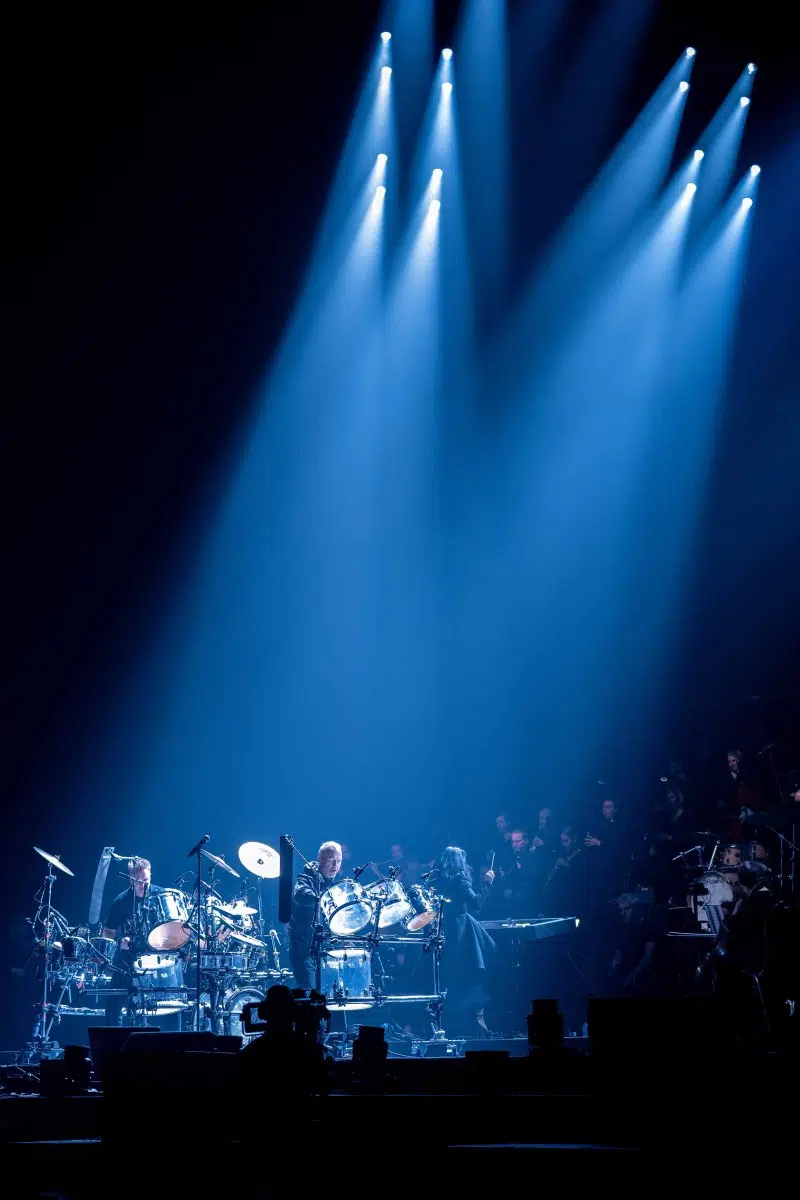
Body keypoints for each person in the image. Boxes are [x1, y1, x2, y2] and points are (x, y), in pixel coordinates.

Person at [437, 845, 495, 1035]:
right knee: (488, 953)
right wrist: (487, 884)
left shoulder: (440, 878)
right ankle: (477, 1008)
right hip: (460, 928)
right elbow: (476, 902)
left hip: (445, 926)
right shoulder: (460, 878)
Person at [100, 857, 162, 1026]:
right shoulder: (120, 901)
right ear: (130, 880)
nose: (143, 885)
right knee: (113, 1006)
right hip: (126, 958)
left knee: (167, 1003)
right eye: (138, 881)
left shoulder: (160, 895)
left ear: (150, 875)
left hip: (155, 958)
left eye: (146, 880)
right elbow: (108, 932)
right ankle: (115, 1040)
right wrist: (119, 940)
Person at [287, 841, 342, 991]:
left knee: (330, 997)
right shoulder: (307, 877)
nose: (335, 865)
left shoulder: (331, 884)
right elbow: (300, 895)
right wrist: (321, 898)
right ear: (320, 860)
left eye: (338, 861)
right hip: (305, 949)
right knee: (309, 996)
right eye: (331, 860)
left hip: (325, 950)